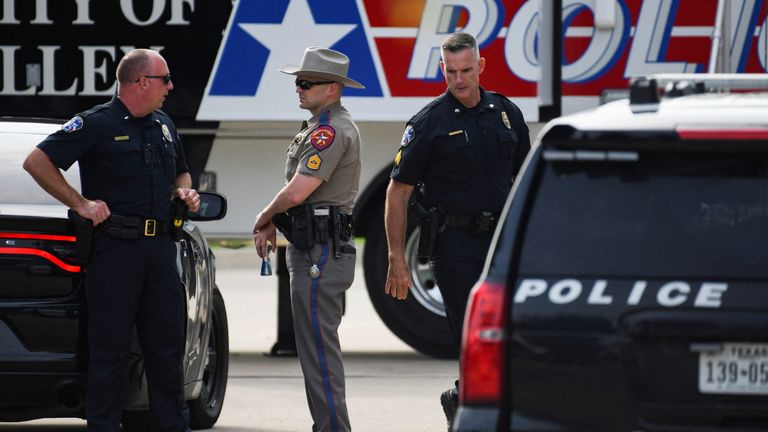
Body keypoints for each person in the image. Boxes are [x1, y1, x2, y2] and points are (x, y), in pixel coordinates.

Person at [23, 48, 200, 432]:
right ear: (140, 82)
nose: (170, 86)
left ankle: (172, 426)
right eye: (164, 79)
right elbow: (37, 161)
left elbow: (182, 174)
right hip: (116, 250)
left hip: (159, 250)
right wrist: (81, 203)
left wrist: (186, 193)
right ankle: (104, 426)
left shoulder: (165, 124)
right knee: (110, 350)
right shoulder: (96, 124)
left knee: (166, 347)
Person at [383, 32, 531, 430]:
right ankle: (475, 416)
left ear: (480, 67)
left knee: (508, 334)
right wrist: (398, 258)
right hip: (455, 245)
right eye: (451, 72)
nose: (460, 80)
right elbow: (397, 193)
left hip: (500, 244)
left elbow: (522, 181)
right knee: (473, 335)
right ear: (442, 69)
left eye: (466, 70)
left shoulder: (506, 113)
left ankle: (462, 398)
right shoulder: (429, 123)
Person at [252, 46, 363, 432]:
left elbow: (298, 191)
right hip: (314, 248)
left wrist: (263, 216)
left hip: (321, 252)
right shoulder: (318, 126)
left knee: (319, 352)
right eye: (297, 82)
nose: (298, 89)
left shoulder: (330, 131)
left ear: (331, 88)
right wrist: (274, 221)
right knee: (316, 350)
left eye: (306, 83)